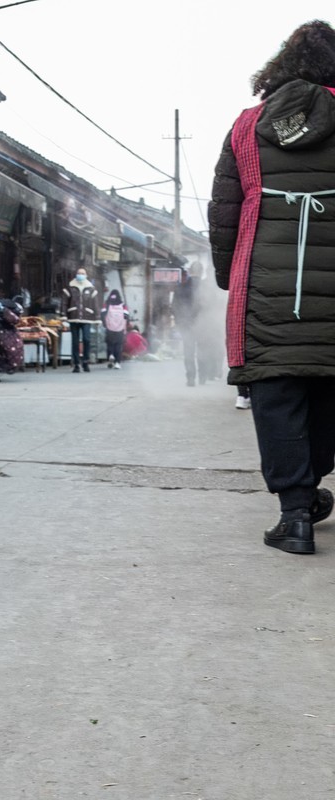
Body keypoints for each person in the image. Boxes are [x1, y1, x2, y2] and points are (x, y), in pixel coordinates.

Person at [208, 19, 335, 554]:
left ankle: (295, 513)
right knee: (328, 382)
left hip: (263, 278)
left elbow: (224, 214)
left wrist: (228, 278)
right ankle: (310, 484)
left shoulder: (246, 127)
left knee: (277, 391)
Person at [172, 264, 212, 386]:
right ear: (201, 271)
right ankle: (203, 377)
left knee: (188, 352)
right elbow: (211, 306)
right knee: (203, 350)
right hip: (202, 325)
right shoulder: (206, 287)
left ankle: (190, 378)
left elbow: (174, 306)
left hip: (186, 324)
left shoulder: (181, 287)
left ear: (190, 271)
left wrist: (179, 321)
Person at [61, 267, 100, 372]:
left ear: (86, 275)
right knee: (75, 341)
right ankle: (76, 363)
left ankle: (86, 362)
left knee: (87, 339)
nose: (80, 275)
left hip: (87, 318)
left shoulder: (91, 288)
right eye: (79, 273)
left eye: (82, 273)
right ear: (76, 274)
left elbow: (96, 304)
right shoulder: (70, 287)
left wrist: (97, 318)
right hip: (73, 317)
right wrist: (64, 315)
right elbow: (64, 303)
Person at [100, 289, 129, 369]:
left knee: (110, 344)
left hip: (110, 328)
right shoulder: (123, 305)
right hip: (120, 328)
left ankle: (111, 355)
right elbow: (126, 316)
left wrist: (105, 324)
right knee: (118, 345)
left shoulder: (107, 304)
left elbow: (102, 314)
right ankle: (117, 363)